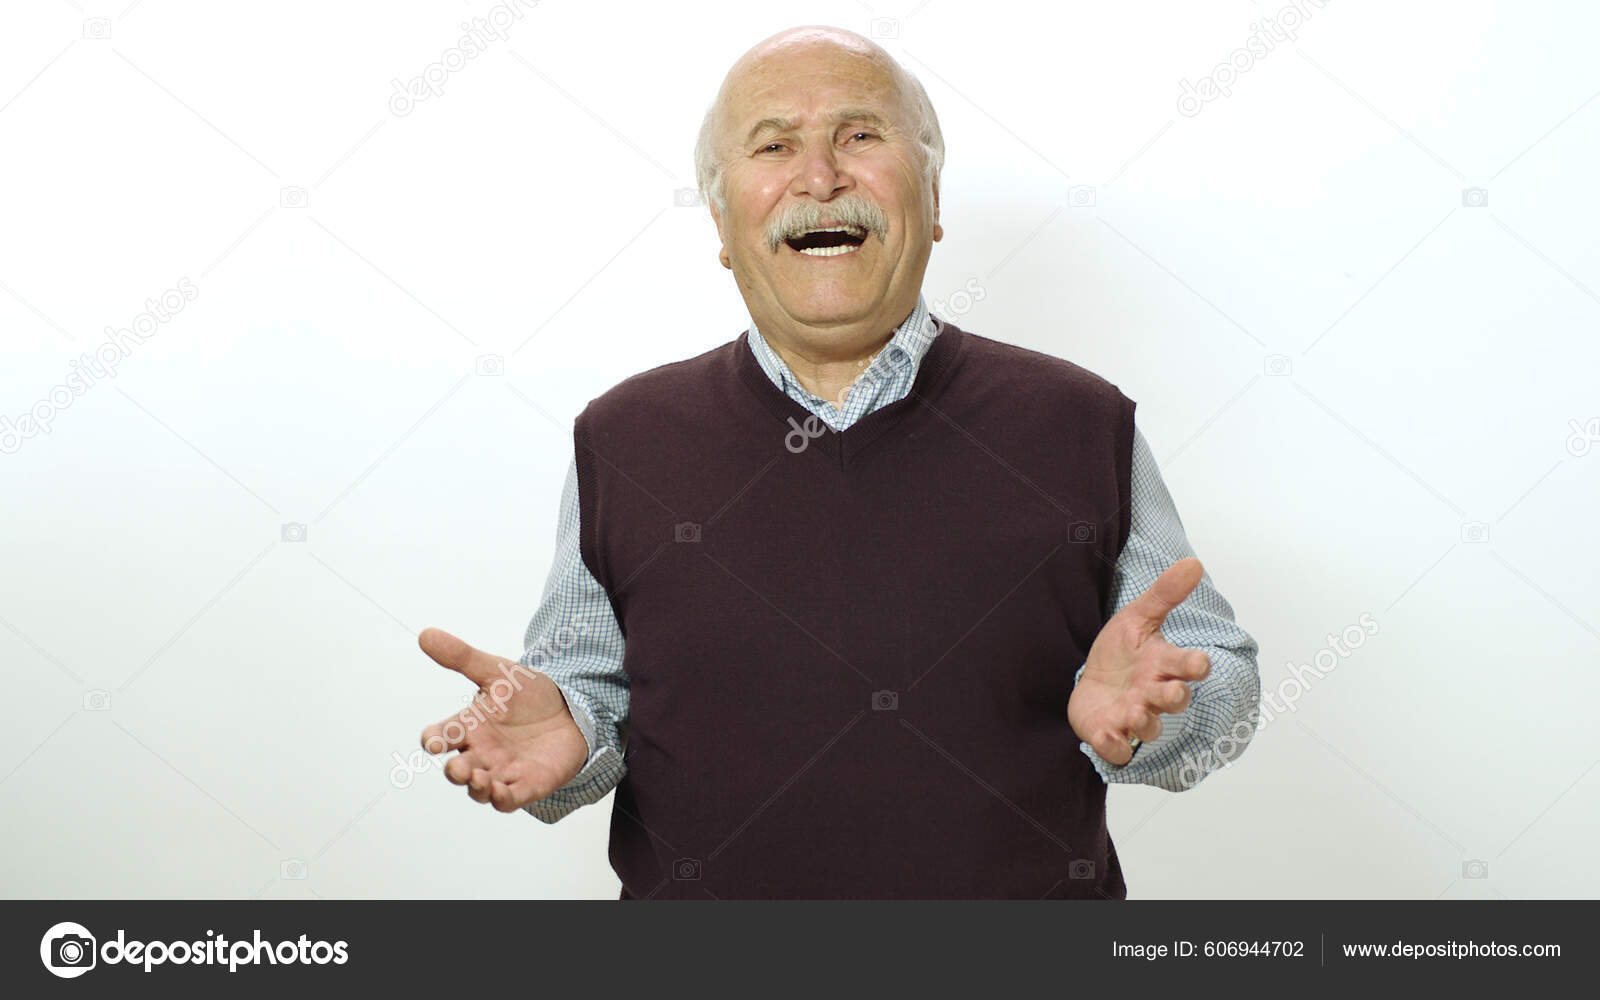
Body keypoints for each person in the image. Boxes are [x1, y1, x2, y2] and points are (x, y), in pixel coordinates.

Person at [418, 24, 1259, 899]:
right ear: (720, 220)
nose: (820, 179)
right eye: (774, 145)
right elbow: (584, 691)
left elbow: (1213, 671)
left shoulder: (1083, 423)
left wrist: (1160, 718)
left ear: (931, 196)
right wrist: (575, 733)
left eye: (859, 136)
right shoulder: (623, 439)